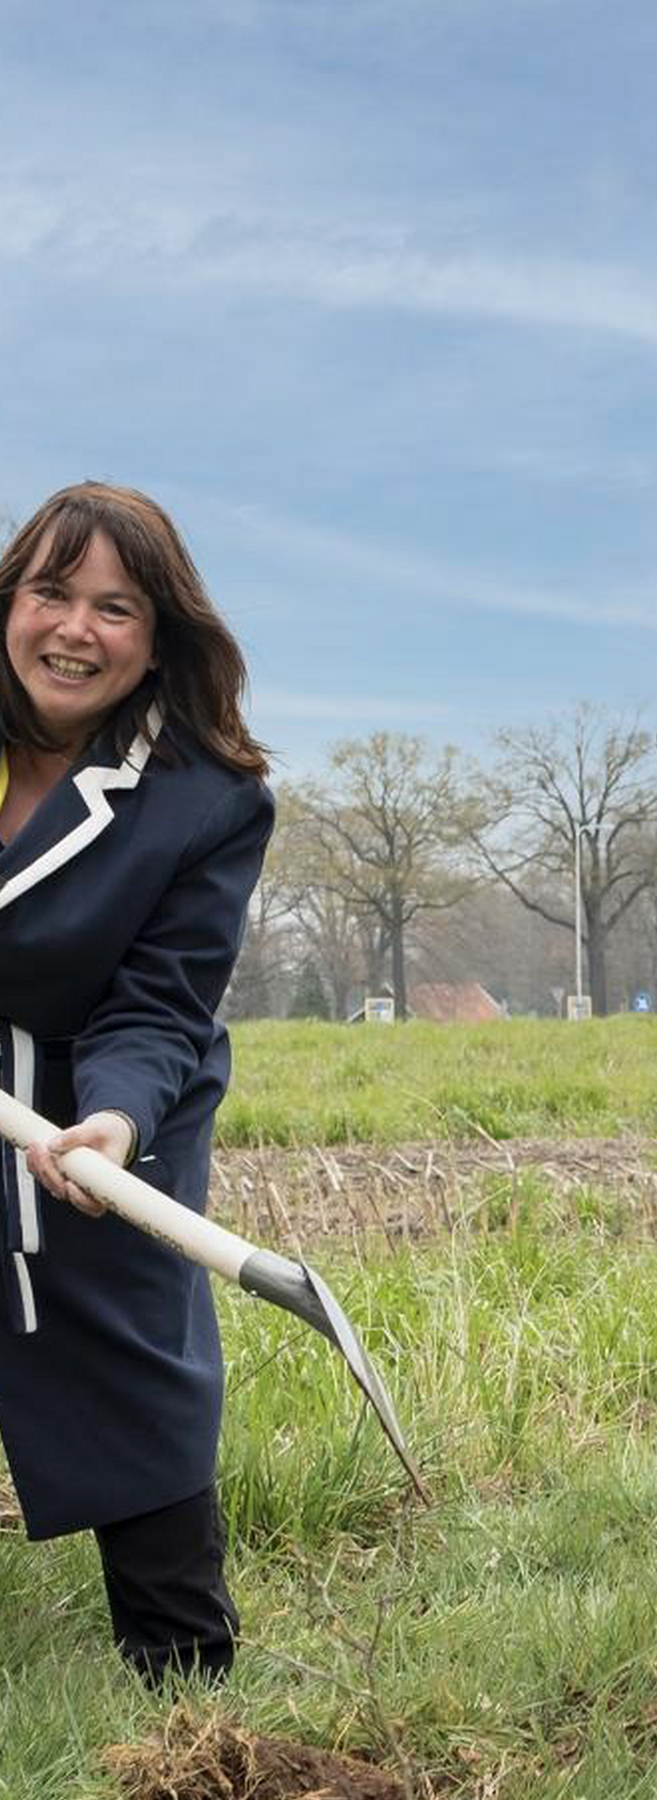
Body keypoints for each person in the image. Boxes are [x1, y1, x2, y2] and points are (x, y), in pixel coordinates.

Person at [0, 482, 273, 1685]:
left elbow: (158, 1001)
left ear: (159, 636)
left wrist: (107, 1124)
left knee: (134, 1375)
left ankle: (188, 1701)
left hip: (102, 1103)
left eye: (114, 607)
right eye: (52, 592)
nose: (75, 629)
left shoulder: (204, 799)